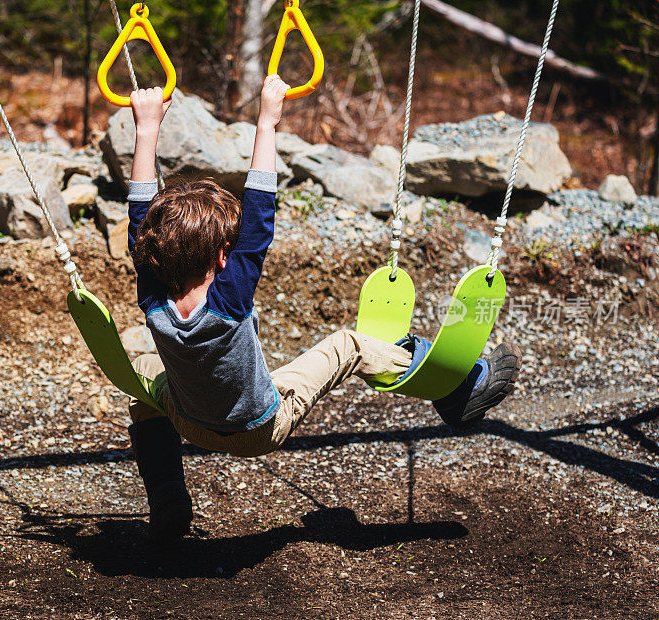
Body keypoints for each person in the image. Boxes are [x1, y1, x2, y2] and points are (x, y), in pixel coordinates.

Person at [124, 77, 522, 543]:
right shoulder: (229, 298)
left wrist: (146, 129)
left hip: (191, 424)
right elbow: (259, 214)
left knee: (144, 389)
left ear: (150, 253)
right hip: (260, 427)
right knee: (348, 345)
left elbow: (140, 219)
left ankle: (169, 497)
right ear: (221, 259)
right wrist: (268, 120)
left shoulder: (152, 297)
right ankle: (461, 387)